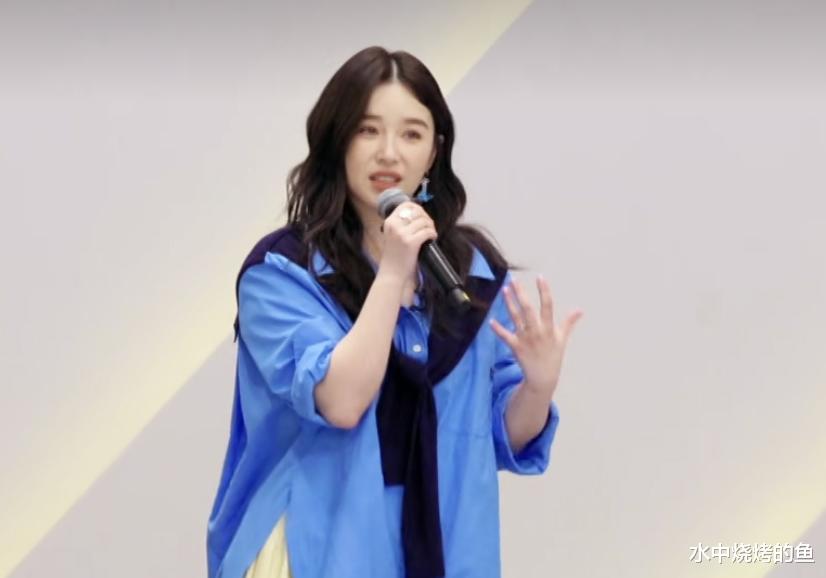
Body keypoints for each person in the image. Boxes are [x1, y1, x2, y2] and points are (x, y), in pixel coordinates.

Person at [207, 46, 583, 578]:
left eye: (411, 134)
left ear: (434, 152)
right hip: (314, 553)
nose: (389, 153)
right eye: (367, 130)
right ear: (337, 139)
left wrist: (538, 387)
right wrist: (392, 273)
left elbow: (503, 437)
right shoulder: (282, 273)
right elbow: (341, 401)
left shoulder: (471, 276)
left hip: (452, 552)